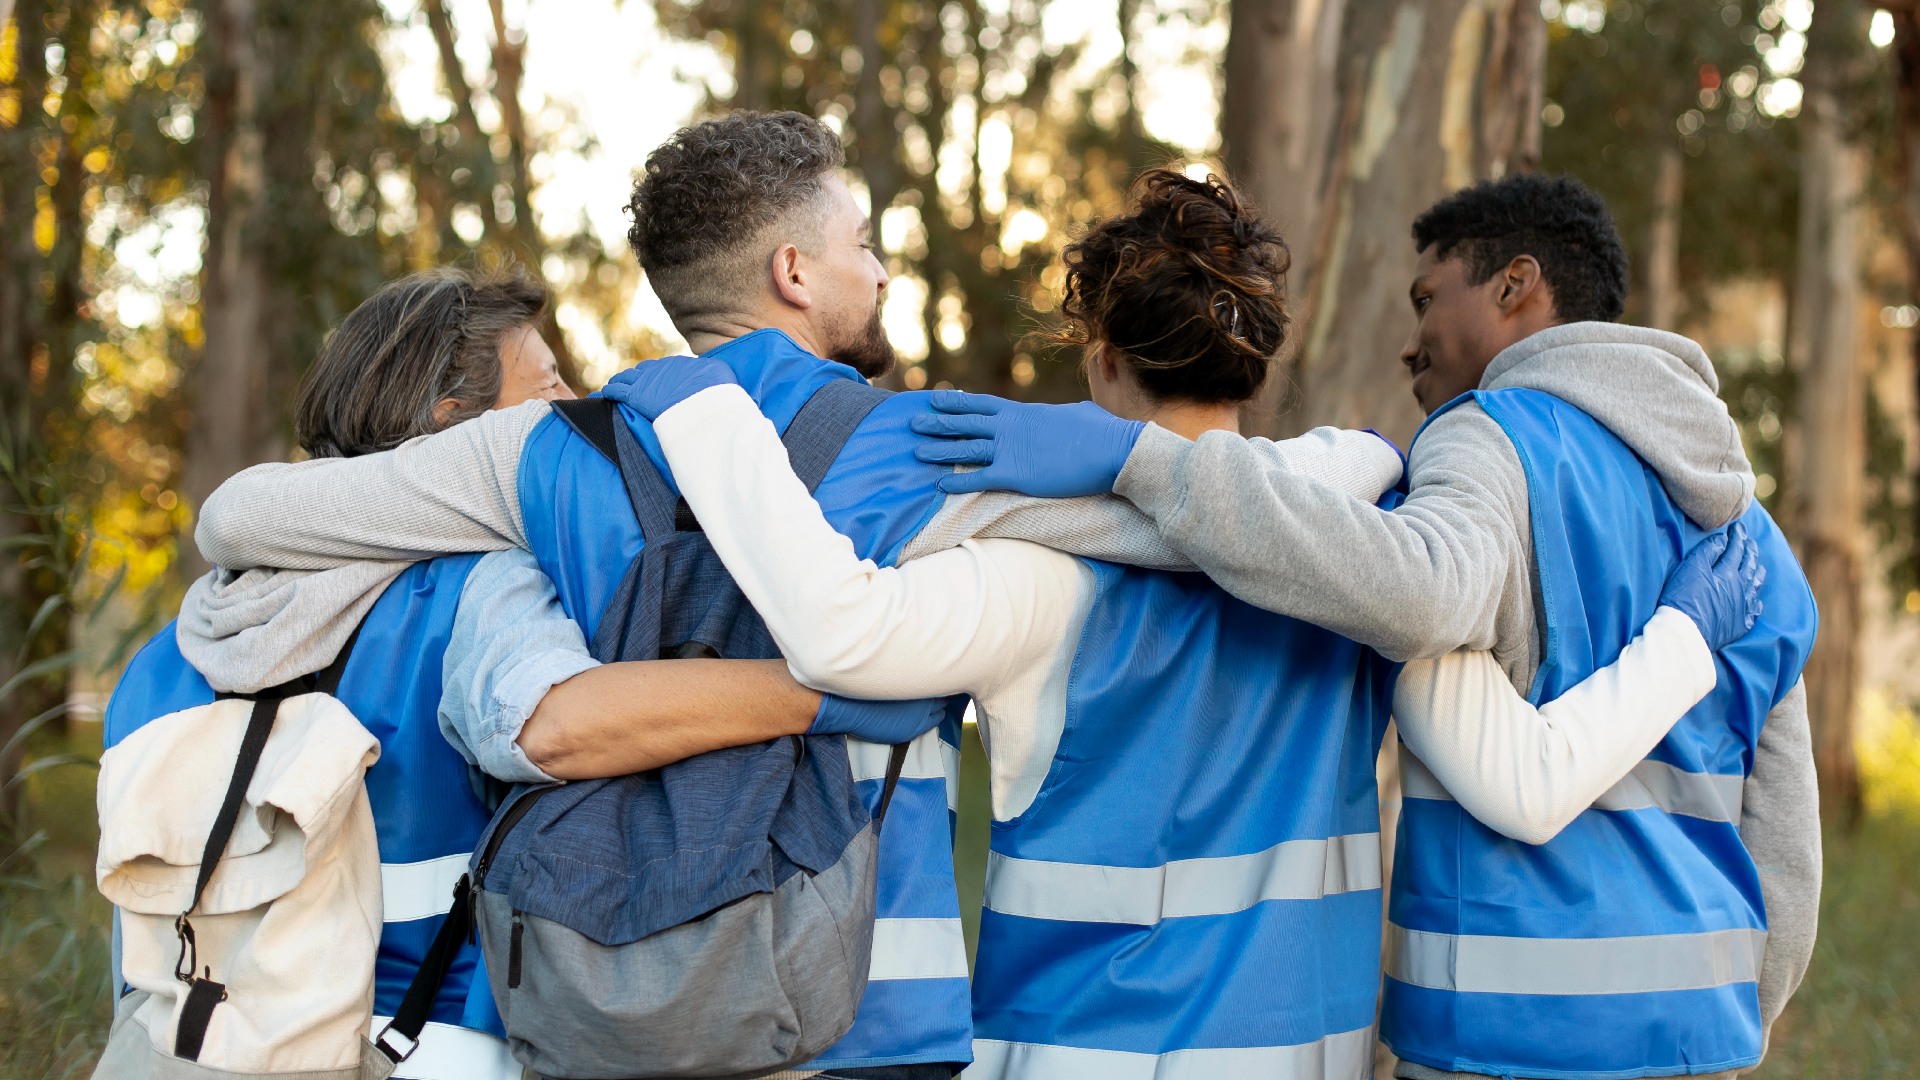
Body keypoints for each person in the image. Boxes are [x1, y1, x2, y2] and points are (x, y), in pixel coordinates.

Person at [186, 114, 1409, 1079]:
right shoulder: (919, 445)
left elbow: (244, 517)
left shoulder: (548, 449)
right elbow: (1184, 528)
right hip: (867, 1001)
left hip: (616, 991)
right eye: (862, 243)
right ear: (793, 271)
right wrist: (1335, 463)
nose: (875, 266)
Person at [602, 168, 1767, 1080]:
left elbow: (841, 637)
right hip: (1303, 1057)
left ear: (1102, 363)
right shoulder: (1359, 512)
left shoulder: (1027, 579)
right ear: (1252, 362)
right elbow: (1306, 505)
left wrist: (710, 418)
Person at [910, 174, 1820, 1080]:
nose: (1411, 342)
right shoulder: (1751, 535)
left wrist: (1122, 463)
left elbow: (1416, 592)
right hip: (1706, 1034)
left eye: (1429, 299)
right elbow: (1788, 838)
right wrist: (1742, 1012)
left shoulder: (1483, 445)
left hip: (1500, 1040)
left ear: (1515, 286)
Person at [103, 265, 875, 1080]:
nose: (573, 407)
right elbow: (553, 723)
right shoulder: (475, 585)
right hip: (428, 1041)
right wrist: (818, 692)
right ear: (455, 427)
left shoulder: (170, 652)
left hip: (188, 1047)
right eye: (546, 388)